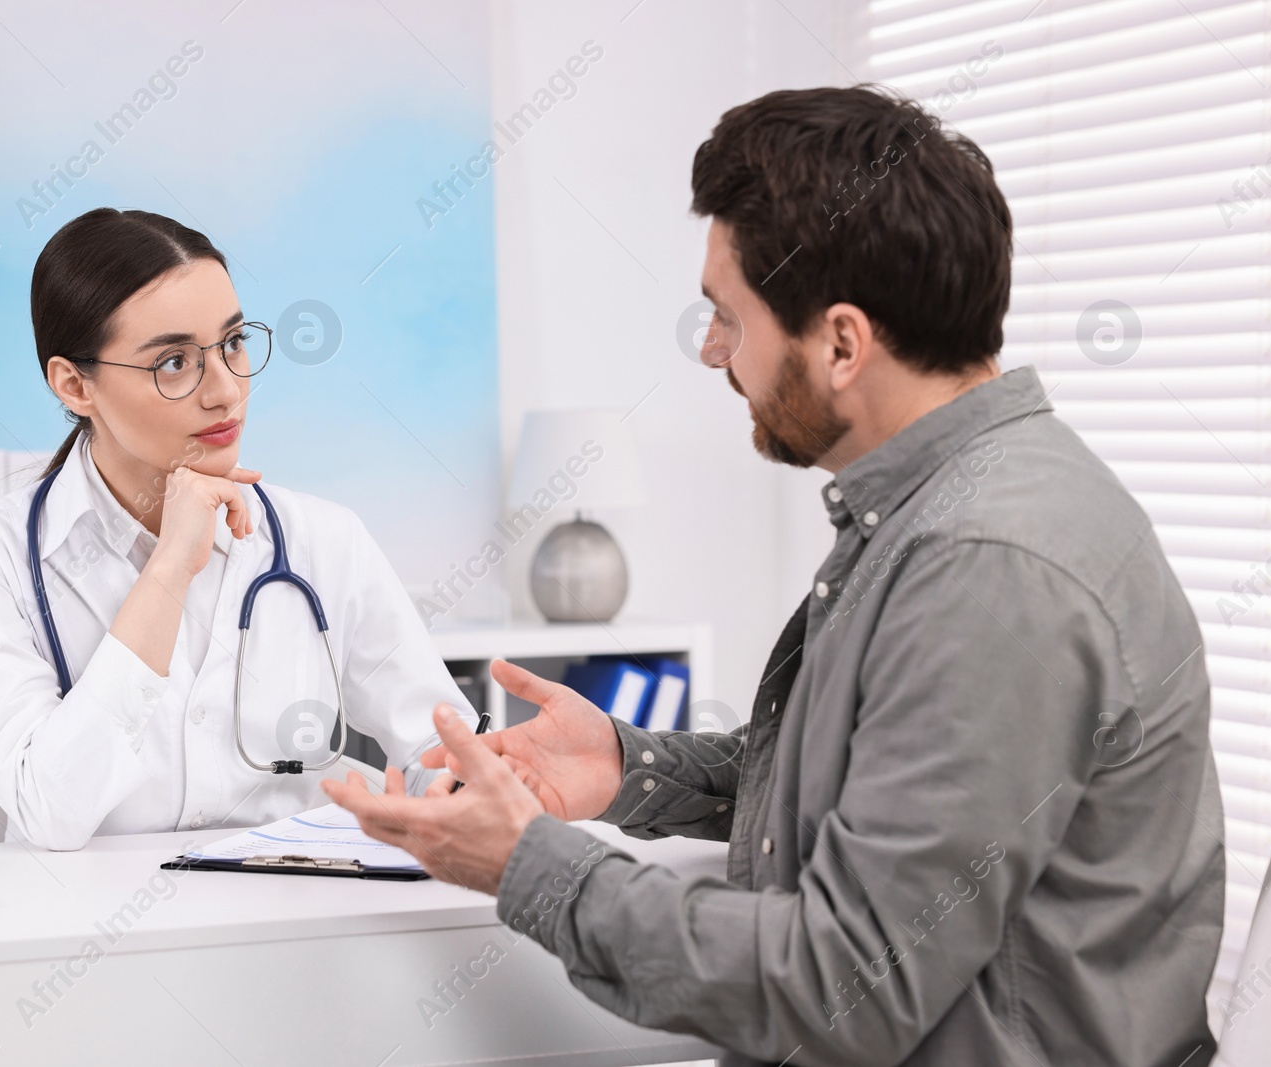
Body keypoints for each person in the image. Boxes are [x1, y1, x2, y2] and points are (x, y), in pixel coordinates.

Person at [324, 86, 1225, 1066]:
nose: (713, 351)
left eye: (726, 317)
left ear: (840, 341)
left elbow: (841, 987)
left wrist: (526, 864)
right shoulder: (953, 505)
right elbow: (883, 779)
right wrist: (627, 768)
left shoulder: (987, 566)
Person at [0, 208, 470, 852]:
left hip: (296, 923)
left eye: (233, 344)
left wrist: (461, 786)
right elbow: (50, 811)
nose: (225, 391)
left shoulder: (325, 541)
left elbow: (444, 749)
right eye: (175, 362)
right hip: (81, 929)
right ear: (75, 385)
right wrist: (169, 570)